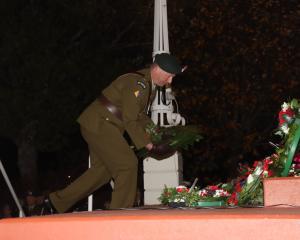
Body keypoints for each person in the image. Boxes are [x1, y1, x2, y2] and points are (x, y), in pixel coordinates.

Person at [45, 53, 184, 213]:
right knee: (127, 164)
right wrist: (150, 145)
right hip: (102, 124)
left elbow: (140, 116)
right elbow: (130, 119)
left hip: (102, 124)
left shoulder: (148, 86)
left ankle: (55, 203)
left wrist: (156, 132)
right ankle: (119, 214)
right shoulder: (138, 84)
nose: (170, 81)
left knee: (102, 172)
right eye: (169, 76)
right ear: (158, 69)